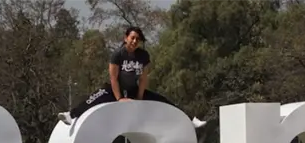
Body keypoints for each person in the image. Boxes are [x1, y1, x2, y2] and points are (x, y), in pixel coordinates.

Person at [57, 26, 205, 128]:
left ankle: (191, 119)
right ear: (126, 38)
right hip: (115, 90)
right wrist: (119, 98)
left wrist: (140, 98)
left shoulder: (143, 55)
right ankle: (71, 115)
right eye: (132, 38)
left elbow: (143, 78)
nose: (135, 41)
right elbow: (113, 78)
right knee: (94, 97)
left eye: (137, 39)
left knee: (163, 100)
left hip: (134, 90)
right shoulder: (117, 54)